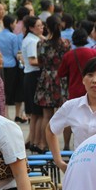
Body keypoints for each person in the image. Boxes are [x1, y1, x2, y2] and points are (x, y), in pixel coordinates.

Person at [34, 15, 72, 152]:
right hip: (62, 79)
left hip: (47, 79)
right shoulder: (66, 43)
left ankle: (45, 145)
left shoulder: (41, 44)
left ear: (47, 27)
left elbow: (40, 62)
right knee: (67, 114)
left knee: (47, 116)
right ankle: (66, 146)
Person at [0, 14, 25, 122]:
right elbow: (16, 52)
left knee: (1, 89)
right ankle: (15, 114)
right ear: (11, 24)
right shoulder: (13, 37)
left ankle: (4, 113)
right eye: (15, 23)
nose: (16, 25)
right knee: (11, 90)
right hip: (11, 66)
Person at [20, 16, 44, 151]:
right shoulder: (32, 41)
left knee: (35, 113)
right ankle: (36, 142)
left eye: (42, 25)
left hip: (31, 76)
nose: (41, 28)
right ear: (31, 28)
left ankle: (32, 140)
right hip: (33, 76)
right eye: (38, 26)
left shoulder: (33, 39)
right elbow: (32, 61)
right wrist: (48, 62)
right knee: (38, 113)